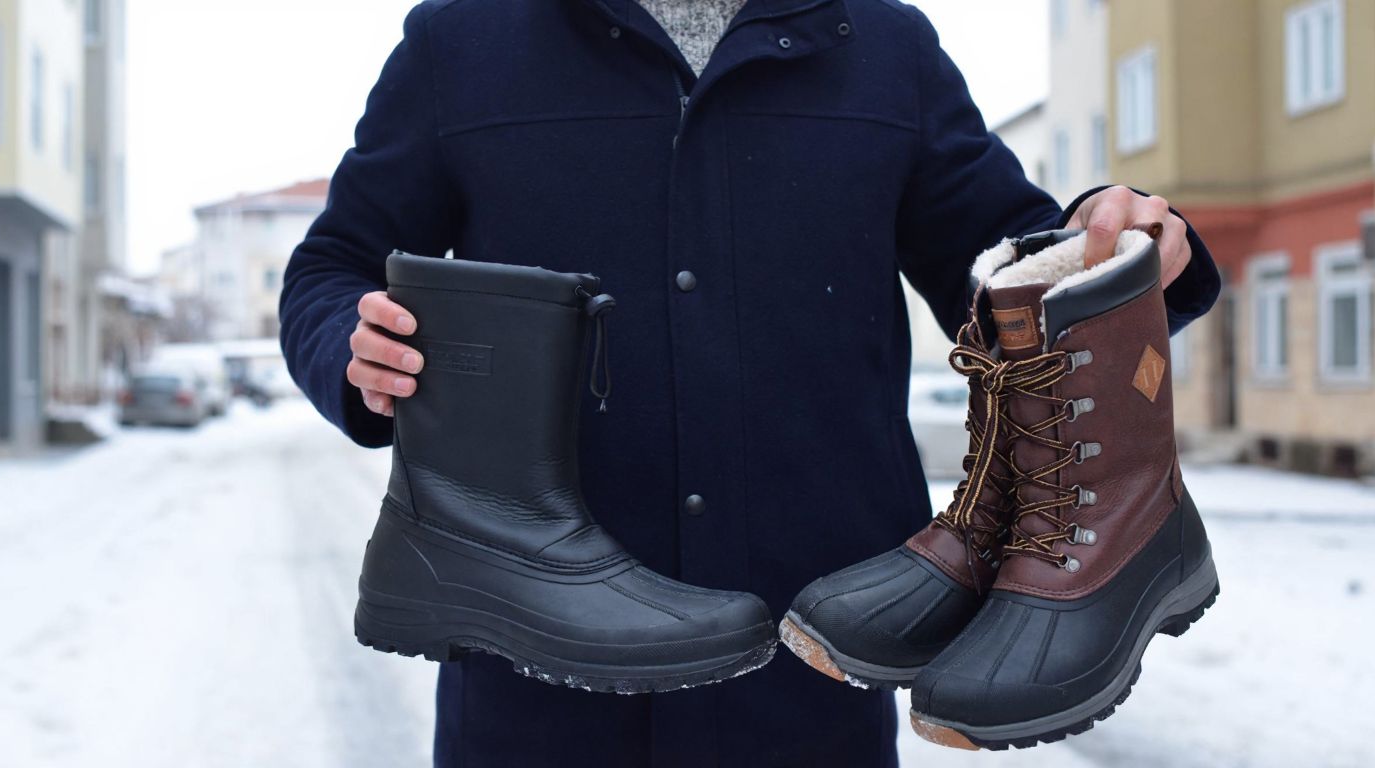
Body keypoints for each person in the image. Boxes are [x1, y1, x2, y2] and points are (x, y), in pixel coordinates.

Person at [279, 1, 1220, 765]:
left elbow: (1014, 275)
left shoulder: (886, 48)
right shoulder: (462, 40)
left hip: (809, 664)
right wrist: (352, 348)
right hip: (534, 678)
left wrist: (1120, 250)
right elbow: (331, 266)